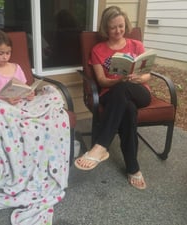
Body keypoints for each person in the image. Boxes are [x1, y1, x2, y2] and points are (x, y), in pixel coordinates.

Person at [0, 29, 71, 225]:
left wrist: (30, 94)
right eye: (0, 53)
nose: (5, 56)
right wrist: (4, 98)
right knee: (0, 109)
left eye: (8, 52)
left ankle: (43, 158)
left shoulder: (16, 67)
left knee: (51, 101)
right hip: (4, 108)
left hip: (22, 104)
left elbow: (25, 88)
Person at [74, 6, 152, 190]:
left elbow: (148, 75)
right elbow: (101, 80)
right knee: (129, 109)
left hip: (139, 91)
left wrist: (138, 78)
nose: (118, 31)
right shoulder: (98, 50)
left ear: (126, 24)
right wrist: (120, 81)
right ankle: (133, 168)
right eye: (113, 28)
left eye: (121, 26)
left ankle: (101, 145)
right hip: (111, 94)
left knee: (125, 88)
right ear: (105, 29)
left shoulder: (136, 45)